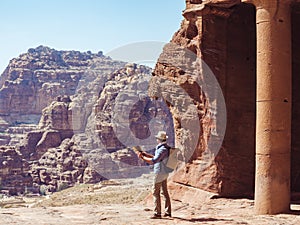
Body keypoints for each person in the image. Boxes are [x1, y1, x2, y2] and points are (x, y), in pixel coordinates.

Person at [138, 131, 172, 219]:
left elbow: (153, 161)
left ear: (159, 139)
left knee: (155, 192)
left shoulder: (162, 149)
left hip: (159, 172)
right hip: (164, 172)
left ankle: (157, 213)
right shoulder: (165, 148)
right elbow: (157, 157)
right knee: (164, 192)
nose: (156, 139)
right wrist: (146, 154)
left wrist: (142, 157)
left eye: (157, 138)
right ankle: (168, 212)